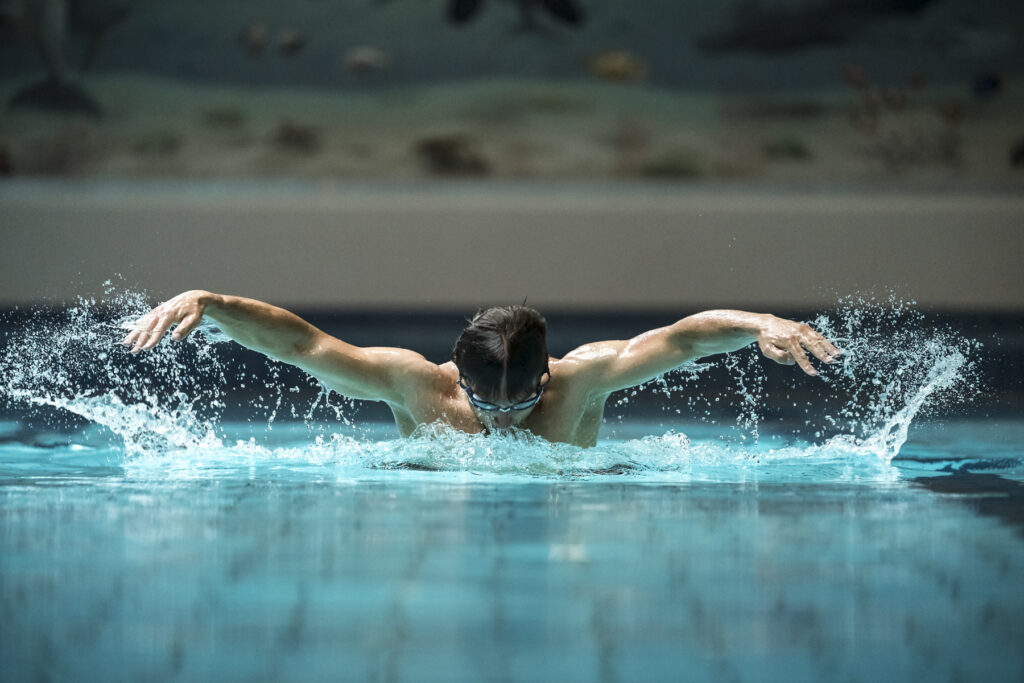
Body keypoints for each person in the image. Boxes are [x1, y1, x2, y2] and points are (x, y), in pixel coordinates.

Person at [122, 290, 841, 448]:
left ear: (547, 376)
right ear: (457, 375)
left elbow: (680, 340)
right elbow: (303, 344)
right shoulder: (416, 385)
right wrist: (209, 302)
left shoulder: (585, 378)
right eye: (484, 403)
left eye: (520, 403)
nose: (500, 419)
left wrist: (758, 324)